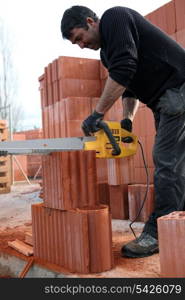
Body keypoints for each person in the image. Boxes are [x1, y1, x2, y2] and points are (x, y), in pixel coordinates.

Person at [61, 5, 185, 258]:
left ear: (90, 21)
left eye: (79, 38)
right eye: (76, 44)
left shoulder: (114, 18)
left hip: (178, 90)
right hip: (166, 101)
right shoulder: (108, 54)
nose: (81, 46)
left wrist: (97, 113)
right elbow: (128, 87)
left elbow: (124, 69)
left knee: (165, 161)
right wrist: (127, 118)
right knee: (176, 163)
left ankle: (158, 232)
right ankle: (176, 223)